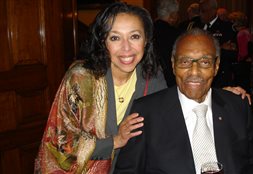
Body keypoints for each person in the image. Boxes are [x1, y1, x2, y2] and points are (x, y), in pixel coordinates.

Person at [114, 28, 253, 174]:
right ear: (173, 64)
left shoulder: (237, 106)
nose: (194, 72)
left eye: (204, 62)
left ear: (216, 66)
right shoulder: (146, 112)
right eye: (185, 62)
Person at [34, 2, 167, 174]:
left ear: (146, 39)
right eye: (115, 38)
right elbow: (60, 143)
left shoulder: (153, 77)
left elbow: (161, 133)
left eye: (134, 36)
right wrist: (115, 141)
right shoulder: (81, 78)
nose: (126, 48)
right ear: (103, 42)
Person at [182, 0, 238, 88]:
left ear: (213, 11)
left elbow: (233, 54)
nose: (200, 14)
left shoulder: (226, 27)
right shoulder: (195, 26)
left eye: (203, 11)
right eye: (199, 11)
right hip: (199, 75)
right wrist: (220, 48)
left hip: (219, 78)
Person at [153, 0, 181, 87]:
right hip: (169, 81)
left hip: (150, 78)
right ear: (172, 15)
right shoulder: (176, 35)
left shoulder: (148, 30)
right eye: (177, 13)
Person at [229, 11, 253, 93]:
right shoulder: (247, 31)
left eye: (232, 21)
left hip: (242, 64)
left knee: (241, 88)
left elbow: (242, 53)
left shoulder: (241, 33)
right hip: (246, 63)